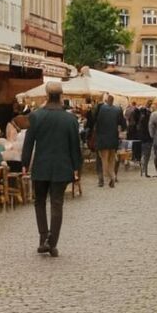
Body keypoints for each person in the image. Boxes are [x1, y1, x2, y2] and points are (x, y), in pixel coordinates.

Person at [20, 80, 82, 257]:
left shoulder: (36, 116)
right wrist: (77, 167)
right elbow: (74, 146)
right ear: (61, 96)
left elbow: (29, 142)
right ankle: (52, 242)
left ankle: (43, 237)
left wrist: (25, 163)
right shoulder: (70, 119)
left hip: (41, 165)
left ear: (47, 96)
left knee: (39, 202)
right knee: (57, 204)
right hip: (63, 167)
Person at [93, 94, 125, 188]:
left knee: (103, 160)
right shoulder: (118, 110)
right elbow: (123, 125)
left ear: (106, 100)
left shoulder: (100, 108)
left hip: (102, 139)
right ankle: (113, 177)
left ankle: (107, 178)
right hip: (113, 139)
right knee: (111, 160)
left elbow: (94, 119)